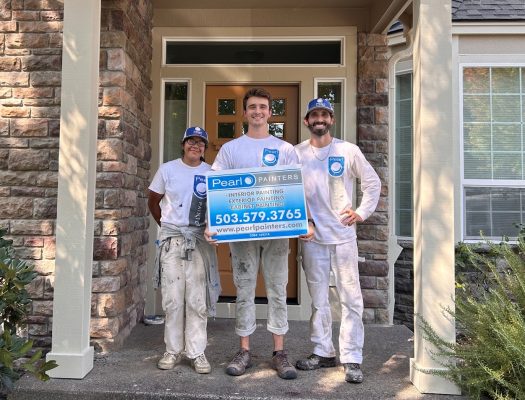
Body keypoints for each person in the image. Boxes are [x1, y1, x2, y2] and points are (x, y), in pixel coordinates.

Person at [205, 87, 313, 380]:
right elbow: (217, 188)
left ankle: (279, 352)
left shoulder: (284, 149)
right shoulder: (230, 149)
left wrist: (306, 220)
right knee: (244, 289)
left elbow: (297, 189)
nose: (257, 111)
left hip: (276, 232)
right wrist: (211, 223)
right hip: (241, 234)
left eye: (263, 107)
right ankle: (244, 351)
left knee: (278, 288)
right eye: (252, 107)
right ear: (245, 112)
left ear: (269, 112)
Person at [294, 98, 381, 384]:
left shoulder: (347, 150)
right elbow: (286, 191)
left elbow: (372, 183)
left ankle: (352, 358)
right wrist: (300, 222)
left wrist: (361, 212)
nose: (319, 119)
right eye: (314, 115)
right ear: (307, 121)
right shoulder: (296, 154)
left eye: (324, 114)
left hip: (343, 237)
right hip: (313, 237)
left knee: (351, 299)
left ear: (331, 119)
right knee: (319, 300)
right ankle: (322, 351)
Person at [148, 126, 220, 374]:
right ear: (183, 144)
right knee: (173, 299)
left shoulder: (212, 173)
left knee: (197, 300)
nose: (195, 146)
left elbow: (219, 207)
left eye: (200, 142)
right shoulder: (167, 170)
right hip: (172, 243)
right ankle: (172, 350)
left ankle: (197, 352)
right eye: (191, 140)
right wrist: (168, 228)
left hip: (199, 241)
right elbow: (153, 201)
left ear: (204, 148)